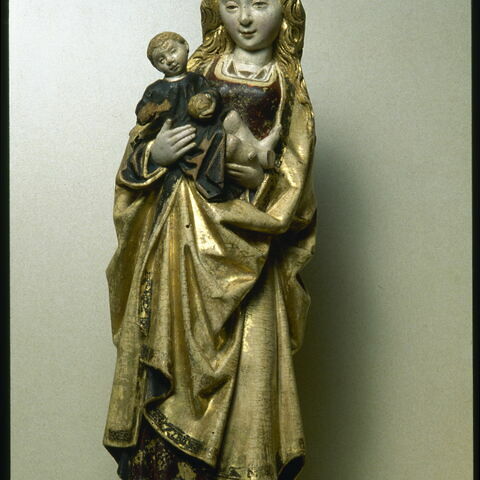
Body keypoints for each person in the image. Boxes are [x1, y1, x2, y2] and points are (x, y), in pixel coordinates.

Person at [103, 1, 316, 479]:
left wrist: (261, 182)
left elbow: (297, 183)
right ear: (214, 10)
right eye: (232, 5)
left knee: (252, 369)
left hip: (250, 249)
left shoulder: (289, 89)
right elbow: (139, 147)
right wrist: (154, 154)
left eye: (260, 3)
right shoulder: (192, 72)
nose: (245, 18)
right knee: (170, 356)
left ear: (286, 10)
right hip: (179, 242)